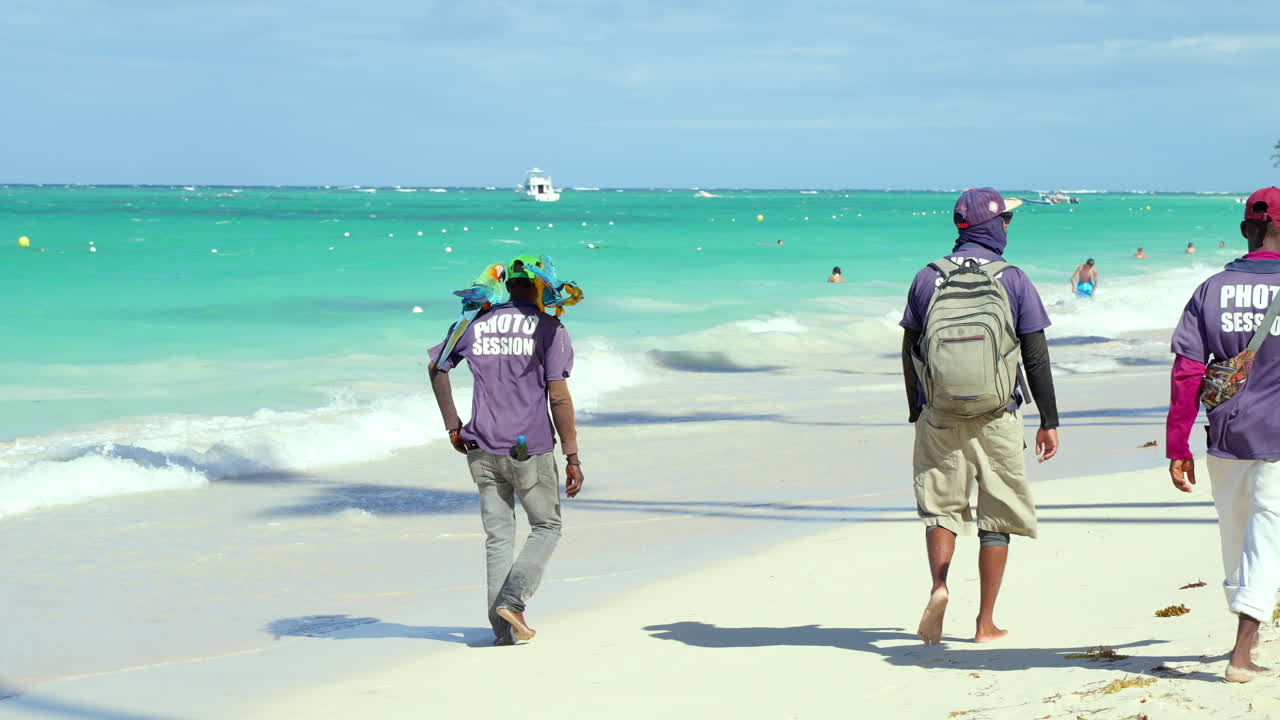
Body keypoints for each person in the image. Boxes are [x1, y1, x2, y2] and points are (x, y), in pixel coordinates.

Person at [900, 187, 1060, 645]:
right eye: (1006, 221)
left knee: (940, 508)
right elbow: (1036, 356)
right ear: (993, 226)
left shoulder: (927, 277)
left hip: (940, 412)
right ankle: (985, 623)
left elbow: (909, 349)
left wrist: (917, 408)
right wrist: (1049, 419)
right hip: (998, 413)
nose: (1009, 227)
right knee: (998, 516)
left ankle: (939, 585)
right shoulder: (1013, 279)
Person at [428, 255, 584, 646]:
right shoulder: (549, 328)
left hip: (480, 444)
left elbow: (437, 367)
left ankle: (503, 633)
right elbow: (559, 397)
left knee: (498, 538)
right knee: (547, 526)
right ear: (539, 286)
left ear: (506, 286)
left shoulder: (473, 323)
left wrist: (452, 424)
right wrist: (573, 456)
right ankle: (513, 603)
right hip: (528, 447)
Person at [1167, 187, 1280, 682]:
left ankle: (1245, 631)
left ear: (1244, 231)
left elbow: (1187, 370)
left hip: (1225, 434)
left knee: (1236, 537)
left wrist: (1177, 444)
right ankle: (1242, 652)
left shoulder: (1210, 289)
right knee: (1268, 538)